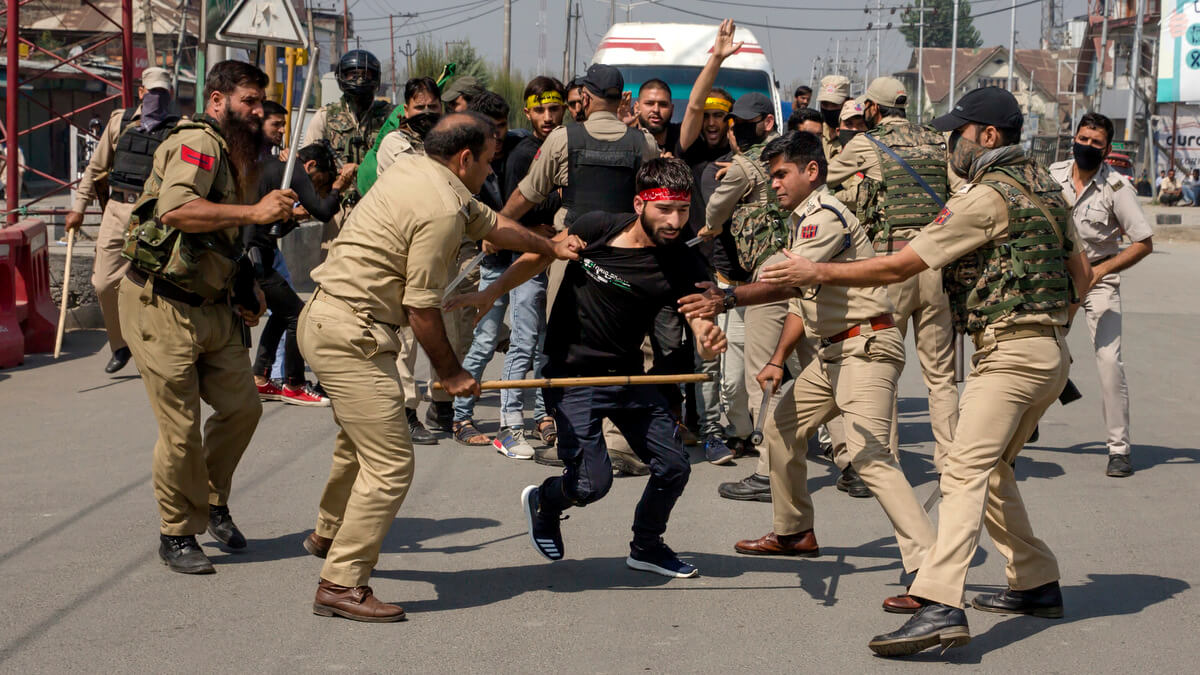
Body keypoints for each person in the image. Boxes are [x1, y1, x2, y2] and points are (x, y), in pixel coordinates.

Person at [755, 87, 1092, 657]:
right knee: (994, 471)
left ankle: (940, 603)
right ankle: (1036, 581)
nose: (950, 144)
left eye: (958, 133)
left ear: (987, 137)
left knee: (961, 468)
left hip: (1009, 354)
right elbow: (1081, 275)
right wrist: (1048, 325)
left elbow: (903, 263)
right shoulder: (1047, 188)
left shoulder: (986, 197)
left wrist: (817, 270)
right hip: (1050, 352)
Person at [297, 113, 583, 622]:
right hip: (351, 334)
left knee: (358, 444)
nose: (491, 174)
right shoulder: (438, 209)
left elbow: (492, 223)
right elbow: (421, 309)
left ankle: (329, 532)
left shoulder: (415, 168)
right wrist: (452, 376)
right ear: (465, 157)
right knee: (389, 465)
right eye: (490, 163)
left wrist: (550, 246)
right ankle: (341, 582)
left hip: (335, 323)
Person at [681, 131, 935, 603]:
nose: (774, 184)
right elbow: (803, 295)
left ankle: (931, 570)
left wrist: (726, 297)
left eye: (781, 174)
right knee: (780, 429)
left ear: (811, 171)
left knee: (871, 458)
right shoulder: (803, 221)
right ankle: (794, 532)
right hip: (834, 353)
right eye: (772, 175)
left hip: (866, 347)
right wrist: (778, 358)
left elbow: (782, 284)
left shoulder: (825, 216)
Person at [452, 157, 728, 579]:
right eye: (665, 210)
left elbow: (697, 310)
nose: (675, 221)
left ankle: (647, 546)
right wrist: (492, 292)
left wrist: (707, 334)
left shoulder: (680, 259)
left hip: (628, 376)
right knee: (590, 484)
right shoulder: (599, 226)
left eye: (683, 210)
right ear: (640, 204)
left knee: (674, 466)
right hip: (571, 375)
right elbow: (540, 256)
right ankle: (546, 499)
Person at [118, 60, 295, 574]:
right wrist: (255, 212)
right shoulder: (196, 143)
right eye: (248, 102)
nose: (258, 111)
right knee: (180, 430)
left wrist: (247, 282)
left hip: (213, 306)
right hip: (162, 304)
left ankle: (212, 501)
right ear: (217, 100)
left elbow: (224, 236)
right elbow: (176, 210)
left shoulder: (240, 153)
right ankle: (177, 532)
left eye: (261, 103)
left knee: (243, 409)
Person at [827, 77, 959, 473]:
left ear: (872, 108)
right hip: (936, 264)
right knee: (941, 375)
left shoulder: (865, 144)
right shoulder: (939, 142)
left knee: (884, 366)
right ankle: (952, 462)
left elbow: (825, 177)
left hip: (893, 266)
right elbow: (959, 192)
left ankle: (887, 461)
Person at [450, 77, 566, 461]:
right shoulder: (466, 162)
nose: (497, 137)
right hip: (495, 261)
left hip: (524, 258)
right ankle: (464, 417)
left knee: (529, 340)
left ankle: (531, 418)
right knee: (488, 341)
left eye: (501, 128)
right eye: (490, 129)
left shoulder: (522, 148)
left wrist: (527, 231)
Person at [1049, 112, 1153, 477]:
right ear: (1073, 139)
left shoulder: (1117, 187)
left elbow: (1143, 243)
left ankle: (1119, 449)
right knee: (1038, 352)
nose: (1087, 147)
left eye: (1095, 143)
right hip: (1055, 278)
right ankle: (1026, 422)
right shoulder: (1052, 176)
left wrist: (1099, 273)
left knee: (1109, 361)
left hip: (1099, 276)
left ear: (1107, 149)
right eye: (1083, 139)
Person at [65, 66, 177, 374]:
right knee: (103, 283)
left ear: (171, 95)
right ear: (141, 93)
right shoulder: (120, 122)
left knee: (153, 288)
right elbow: (94, 168)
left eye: (162, 94)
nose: (157, 99)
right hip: (116, 211)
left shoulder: (179, 128)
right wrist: (78, 208)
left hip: (154, 216)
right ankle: (120, 345)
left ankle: (157, 347)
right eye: (152, 93)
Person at [249, 142, 353, 406]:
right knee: (298, 314)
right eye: (321, 181)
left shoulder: (272, 168)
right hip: (254, 255)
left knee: (284, 313)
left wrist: (294, 217)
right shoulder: (294, 171)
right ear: (310, 166)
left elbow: (272, 224)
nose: (317, 189)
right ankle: (294, 384)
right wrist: (339, 185)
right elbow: (325, 211)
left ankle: (260, 377)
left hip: (258, 253)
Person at [502, 64, 659, 228]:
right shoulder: (645, 143)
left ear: (585, 98)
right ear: (620, 100)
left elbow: (526, 195)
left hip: (572, 247)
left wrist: (497, 228)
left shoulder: (562, 138)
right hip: (622, 246)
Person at [303, 50, 393, 250]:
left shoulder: (390, 118)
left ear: (376, 78)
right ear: (342, 77)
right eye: (353, 73)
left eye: (366, 74)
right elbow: (307, 167)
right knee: (333, 272)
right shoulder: (325, 116)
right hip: (339, 211)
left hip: (381, 210)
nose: (360, 79)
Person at [634, 79, 678, 152]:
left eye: (663, 104)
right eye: (649, 103)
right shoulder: (625, 142)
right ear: (636, 108)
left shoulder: (680, 141)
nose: (656, 110)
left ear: (672, 109)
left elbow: (694, 108)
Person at [815, 75, 850, 160]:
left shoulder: (854, 134)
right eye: (825, 104)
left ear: (847, 102)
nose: (829, 109)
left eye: (834, 104)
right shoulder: (816, 132)